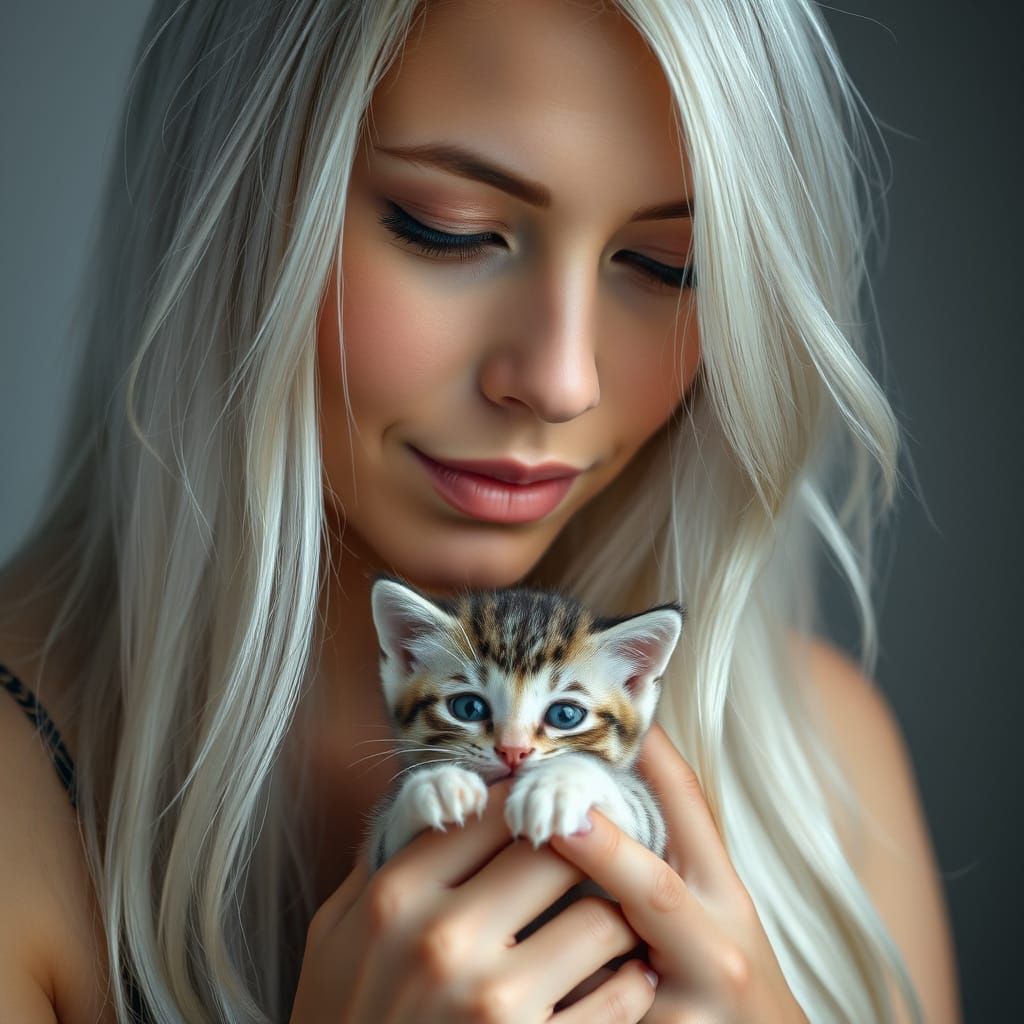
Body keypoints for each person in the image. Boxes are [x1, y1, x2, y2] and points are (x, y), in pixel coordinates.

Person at [0, 0, 961, 1021]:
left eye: (666, 265)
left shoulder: (825, 758)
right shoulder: (26, 814)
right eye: (447, 230)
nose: (559, 380)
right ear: (224, 201)